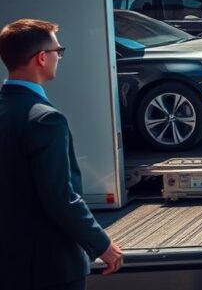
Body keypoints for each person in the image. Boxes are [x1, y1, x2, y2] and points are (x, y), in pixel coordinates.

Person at [0, 19, 123, 289]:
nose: (60, 57)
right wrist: (101, 244)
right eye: (59, 51)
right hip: (48, 267)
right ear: (42, 58)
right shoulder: (45, 120)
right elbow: (59, 196)